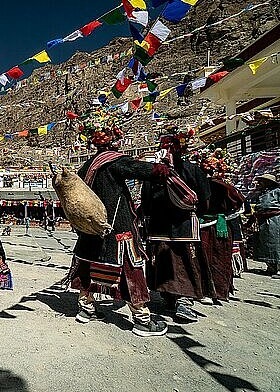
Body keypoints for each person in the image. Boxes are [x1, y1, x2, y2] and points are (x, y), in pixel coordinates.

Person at [68, 112, 169, 337]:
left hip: (90, 229)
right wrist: (163, 168)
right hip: (117, 227)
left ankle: (86, 309)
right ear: (114, 137)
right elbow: (145, 171)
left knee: (86, 267)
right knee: (130, 271)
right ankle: (142, 320)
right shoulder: (115, 161)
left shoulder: (86, 167)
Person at [142, 125, 211, 323]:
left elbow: (146, 201)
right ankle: (182, 301)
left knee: (167, 262)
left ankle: (172, 297)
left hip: (160, 226)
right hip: (184, 225)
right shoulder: (192, 170)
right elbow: (205, 200)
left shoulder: (153, 172)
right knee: (184, 263)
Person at [192, 147, 244, 302]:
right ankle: (222, 290)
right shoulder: (227, 187)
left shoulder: (198, 187)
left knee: (204, 259)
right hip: (221, 227)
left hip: (205, 227)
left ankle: (206, 291)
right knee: (220, 258)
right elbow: (240, 206)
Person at [251, 173, 280, 278]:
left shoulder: (277, 192)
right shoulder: (263, 193)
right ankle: (271, 267)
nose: (259, 183)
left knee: (275, 243)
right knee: (266, 244)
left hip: (275, 220)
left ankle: (278, 269)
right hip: (264, 221)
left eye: (262, 182)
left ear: (268, 183)